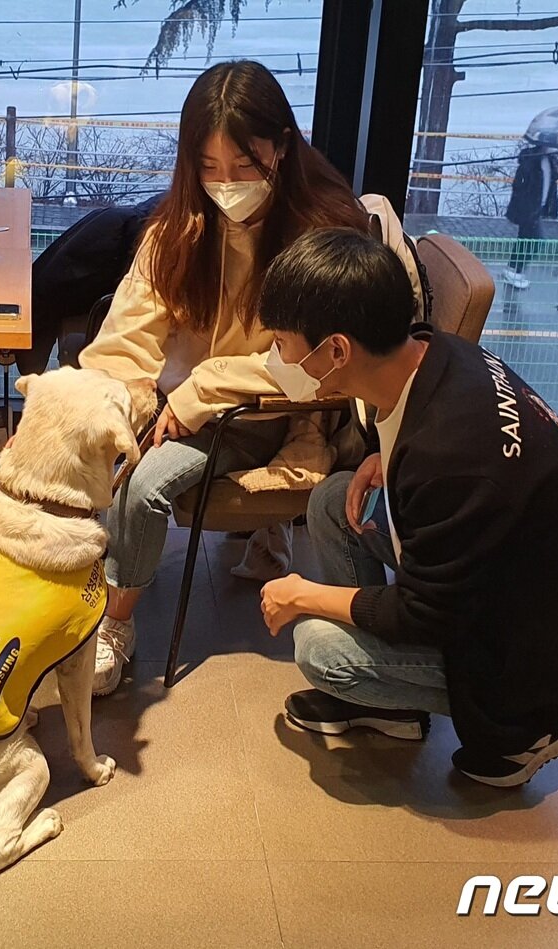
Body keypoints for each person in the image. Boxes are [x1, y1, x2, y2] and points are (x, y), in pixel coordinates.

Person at [77, 59, 422, 695]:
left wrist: (202, 391)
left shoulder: (321, 236)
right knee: (115, 451)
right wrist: (93, 407)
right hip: (190, 402)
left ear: (283, 147)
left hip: (272, 411)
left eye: (244, 166)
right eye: (208, 169)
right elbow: (125, 337)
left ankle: (115, 627)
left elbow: (314, 368)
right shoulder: (180, 227)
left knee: (142, 484)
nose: (226, 185)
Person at [255, 228, 558, 787]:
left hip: (539, 654)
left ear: (336, 350)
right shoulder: (439, 352)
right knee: (335, 499)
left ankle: (529, 735)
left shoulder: (451, 461)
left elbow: (422, 613)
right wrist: (384, 452)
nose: (276, 357)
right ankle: (393, 709)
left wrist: (302, 593)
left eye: (282, 343)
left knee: (319, 646)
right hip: (529, 590)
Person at [504, 140, 558, 290]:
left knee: (525, 239)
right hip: (528, 209)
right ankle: (515, 271)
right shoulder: (531, 161)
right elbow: (521, 184)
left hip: (537, 208)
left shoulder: (548, 160)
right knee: (535, 241)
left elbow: (548, 182)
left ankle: (513, 270)